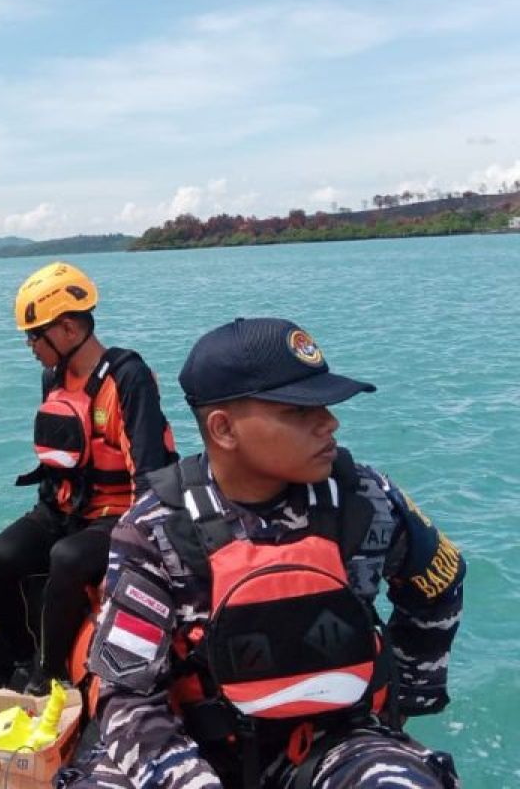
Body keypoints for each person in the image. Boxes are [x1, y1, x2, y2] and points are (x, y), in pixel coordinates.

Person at [68, 317, 463, 789]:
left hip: (336, 741)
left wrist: (403, 699)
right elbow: (127, 694)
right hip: (190, 746)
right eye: (299, 412)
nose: (330, 423)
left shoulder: (366, 499)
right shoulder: (154, 530)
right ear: (224, 430)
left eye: (326, 405)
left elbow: (439, 583)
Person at [0, 262, 178, 695]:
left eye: (35, 335)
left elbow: (149, 476)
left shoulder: (128, 378)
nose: (30, 345)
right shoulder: (52, 376)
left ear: (68, 329)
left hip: (116, 514)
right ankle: (23, 658)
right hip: (63, 507)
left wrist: (138, 550)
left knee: (67, 559)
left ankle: (50, 676)